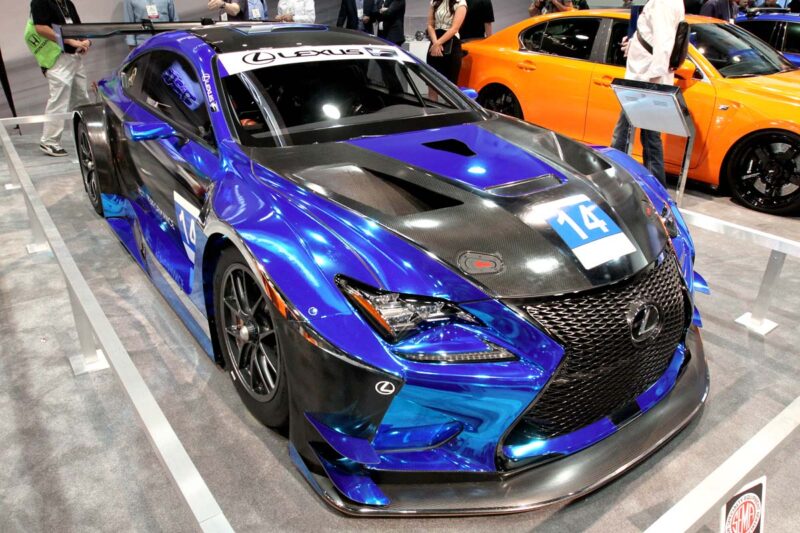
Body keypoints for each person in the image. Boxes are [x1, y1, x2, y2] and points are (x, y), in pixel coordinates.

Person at [610, 0, 685, 187]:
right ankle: (655, 186)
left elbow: (664, 45)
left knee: (623, 135)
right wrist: (634, 43)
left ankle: (615, 180)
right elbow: (656, 38)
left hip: (644, 82)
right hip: (645, 80)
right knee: (648, 138)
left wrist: (652, 86)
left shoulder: (663, 2)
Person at [31, 0, 91, 157]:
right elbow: (40, 28)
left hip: (74, 57)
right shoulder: (40, 2)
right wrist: (67, 40)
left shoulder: (67, 3)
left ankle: (86, 135)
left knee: (81, 97)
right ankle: (49, 141)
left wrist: (85, 41)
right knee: (59, 99)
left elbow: (77, 26)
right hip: (57, 58)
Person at [427, 0, 467, 83]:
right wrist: (435, 42)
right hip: (434, 43)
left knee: (449, 83)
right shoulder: (434, 2)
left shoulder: (460, 3)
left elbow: (454, 28)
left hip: (451, 45)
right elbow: (430, 25)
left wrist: (438, 43)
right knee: (432, 82)